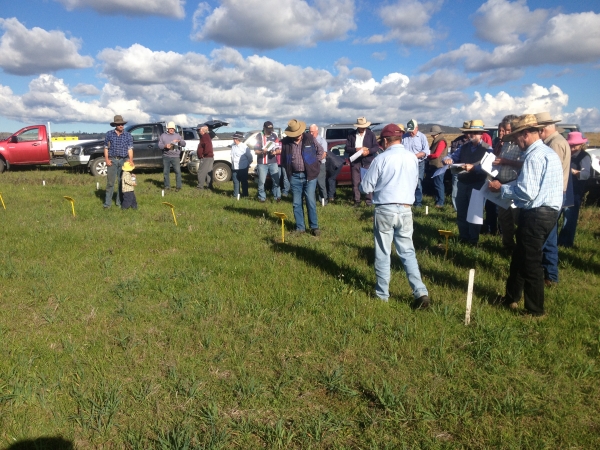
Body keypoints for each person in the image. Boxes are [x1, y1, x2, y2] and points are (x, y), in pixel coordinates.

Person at [489, 114, 563, 317]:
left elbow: (527, 191)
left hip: (536, 213)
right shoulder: (547, 153)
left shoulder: (533, 156)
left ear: (525, 134)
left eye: (516, 139)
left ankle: (535, 310)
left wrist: (501, 189)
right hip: (548, 212)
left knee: (530, 262)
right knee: (520, 256)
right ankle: (511, 297)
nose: (516, 143)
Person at [359, 123, 430, 309]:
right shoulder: (412, 158)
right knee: (408, 252)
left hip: (384, 209)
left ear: (384, 140)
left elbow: (366, 187)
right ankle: (420, 291)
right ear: (400, 138)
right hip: (406, 209)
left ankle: (382, 294)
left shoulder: (381, 159)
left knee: (383, 252)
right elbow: (415, 183)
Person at [442, 119, 492, 245]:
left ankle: (473, 240)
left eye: (475, 132)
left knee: (475, 213)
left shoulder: (488, 149)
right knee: (461, 211)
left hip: (478, 183)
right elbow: (451, 157)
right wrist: (447, 159)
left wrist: (475, 168)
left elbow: (489, 167)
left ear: (481, 134)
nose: (472, 135)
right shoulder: (463, 147)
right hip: (463, 183)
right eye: (470, 132)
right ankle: (463, 237)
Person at [535, 112, 571, 287]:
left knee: (548, 237)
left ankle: (550, 275)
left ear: (542, 129)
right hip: (556, 193)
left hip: (552, 194)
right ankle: (548, 273)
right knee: (549, 235)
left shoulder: (554, 144)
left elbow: (550, 173)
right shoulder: (557, 141)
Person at [280, 119, 324, 236]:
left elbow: (321, 151)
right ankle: (300, 228)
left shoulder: (310, 138)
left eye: (298, 134)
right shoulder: (286, 142)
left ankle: (314, 227)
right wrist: (288, 170)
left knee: (310, 201)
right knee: (296, 203)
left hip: (310, 175)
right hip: (294, 176)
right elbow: (283, 159)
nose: (297, 136)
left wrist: (316, 162)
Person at [493, 115, 522, 250]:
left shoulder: (521, 145)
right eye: (503, 130)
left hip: (514, 184)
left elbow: (524, 164)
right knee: (504, 218)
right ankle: (508, 245)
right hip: (502, 184)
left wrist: (506, 161)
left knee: (518, 219)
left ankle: (521, 247)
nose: (505, 133)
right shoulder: (505, 145)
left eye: (508, 130)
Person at [558, 132, 592, 247]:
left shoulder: (584, 156)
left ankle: (566, 243)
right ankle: (558, 241)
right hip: (562, 189)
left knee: (569, 218)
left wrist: (573, 172)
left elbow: (586, 174)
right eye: (571, 145)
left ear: (580, 145)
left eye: (575, 145)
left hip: (574, 191)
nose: (573, 147)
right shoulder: (566, 154)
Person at [345, 117, 379, 207]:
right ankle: (357, 201)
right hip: (355, 162)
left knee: (368, 182)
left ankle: (369, 201)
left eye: (364, 127)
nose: (363, 128)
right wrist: (356, 149)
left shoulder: (371, 134)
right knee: (355, 182)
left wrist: (368, 151)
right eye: (361, 127)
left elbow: (376, 147)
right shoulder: (351, 135)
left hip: (367, 161)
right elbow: (347, 148)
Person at [103, 115, 133, 208]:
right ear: (115, 125)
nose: (121, 126)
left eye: (122, 124)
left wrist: (131, 160)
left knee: (122, 182)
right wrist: (107, 159)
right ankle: (107, 204)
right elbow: (106, 148)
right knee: (110, 183)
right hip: (112, 160)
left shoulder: (128, 135)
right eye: (119, 124)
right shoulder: (109, 134)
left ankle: (119, 203)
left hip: (124, 161)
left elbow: (130, 149)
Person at [402, 119, 429, 207]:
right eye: (409, 131)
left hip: (419, 163)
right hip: (407, 164)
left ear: (417, 128)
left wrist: (415, 156)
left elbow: (426, 151)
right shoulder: (404, 137)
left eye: (412, 131)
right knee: (406, 182)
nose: (411, 133)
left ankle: (418, 203)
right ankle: (407, 201)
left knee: (418, 183)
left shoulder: (422, 137)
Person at [254, 121, 281, 202]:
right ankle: (262, 197)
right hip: (262, 163)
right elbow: (255, 151)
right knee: (262, 181)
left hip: (273, 161)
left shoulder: (274, 135)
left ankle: (277, 197)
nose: (270, 131)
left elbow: (278, 149)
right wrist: (263, 152)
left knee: (276, 180)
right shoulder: (259, 136)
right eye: (268, 129)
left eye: (271, 129)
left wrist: (275, 152)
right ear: (264, 128)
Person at [158, 121, 185, 192]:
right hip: (166, 156)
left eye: (172, 128)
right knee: (166, 172)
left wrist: (179, 141)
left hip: (175, 156)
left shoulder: (177, 135)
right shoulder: (163, 135)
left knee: (177, 171)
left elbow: (184, 144)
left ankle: (178, 187)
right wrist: (165, 146)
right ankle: (167, 186)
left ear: (174, 128)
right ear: (167, 129)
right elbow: (159, 145)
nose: (171, 129)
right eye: (170, 128)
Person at [425, 125, 448, 208]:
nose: (432, 135)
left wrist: (427, 155)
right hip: (437, 165)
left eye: (433, 134)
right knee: (437, 183)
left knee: (438, 184)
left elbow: (437, 154)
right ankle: (438, 200)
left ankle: (440, 202)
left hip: (439, 165)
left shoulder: (441, 141)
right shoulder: (438, 140)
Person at [449, 126, 470, 211]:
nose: (468, 134)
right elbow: (453, 154)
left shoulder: (478, 143)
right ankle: (456, 208)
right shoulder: (457, 141)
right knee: (455, 188)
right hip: (458, 169)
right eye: (466, 131)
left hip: (470, 170)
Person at [309, 124, 329, 204]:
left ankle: (324, 200)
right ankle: (311, 200)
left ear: (317, 131)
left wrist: (315, 160)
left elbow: (324, 154)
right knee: (311, 184)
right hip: (310, 165)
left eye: (312, 132)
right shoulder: (308, 140)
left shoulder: (322, 140)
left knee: (321, 184)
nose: (310, 133)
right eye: (309, 131)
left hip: (320, 164)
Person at [230, 131, 253, 198]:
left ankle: (245, 195)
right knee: (235, 181)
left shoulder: (244, 147)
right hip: (234, 167)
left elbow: (250, 157)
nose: (234, 140)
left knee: (244, 182)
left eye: (235, 139)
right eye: (234, 138)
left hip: (243, 167)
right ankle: (236, 195)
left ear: (239, 139)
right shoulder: (233, 146)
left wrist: (247, 164)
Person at [196, 124, 214, 190]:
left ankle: (200, 186)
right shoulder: (207, 136)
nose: (199, 131)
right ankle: (209, 186)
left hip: (206, 157)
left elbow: (207, 146)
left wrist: (204, 154)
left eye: (200, 130)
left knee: (201, 171)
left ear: (203, 130)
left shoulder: (204, 137)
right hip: (210, 157)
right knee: (209, 171)